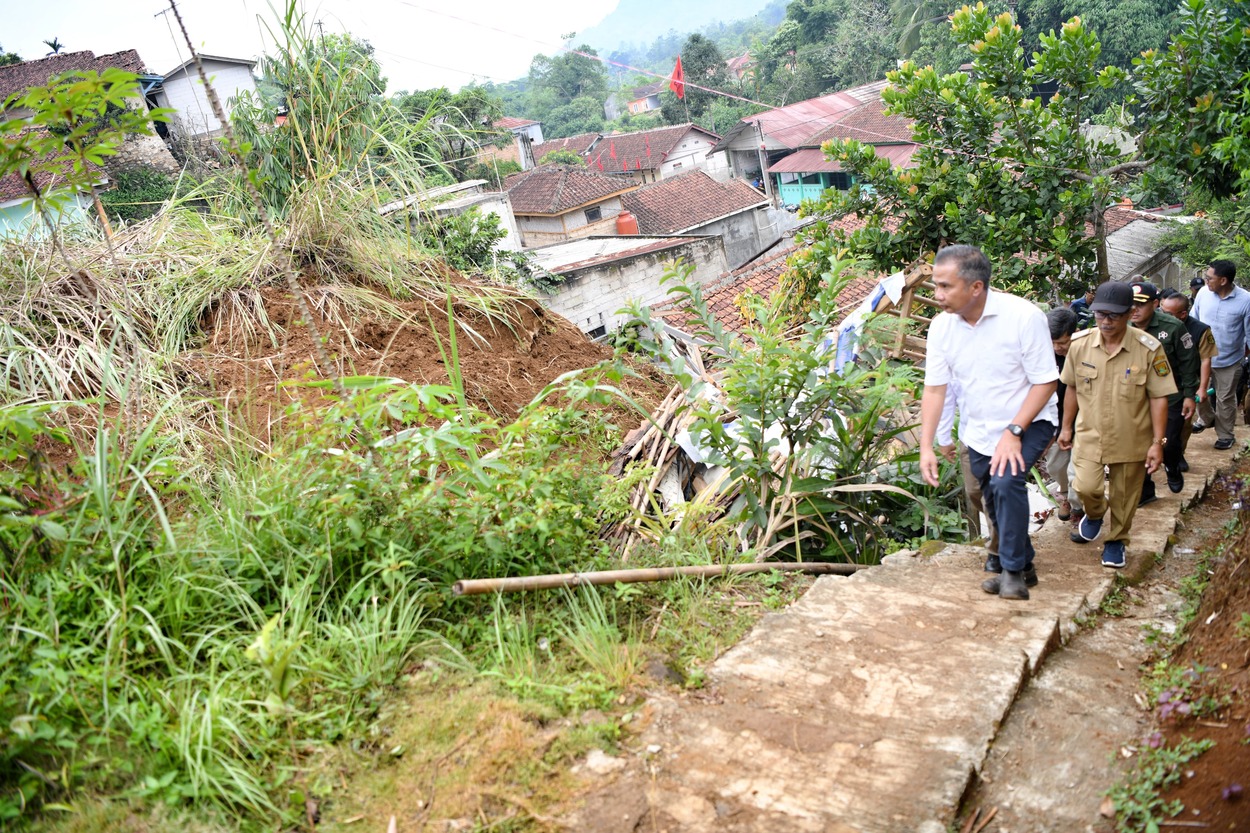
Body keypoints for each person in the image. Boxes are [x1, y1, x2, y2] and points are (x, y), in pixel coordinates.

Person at [920, 245, 1059, 601]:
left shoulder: (1023, 317)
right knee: (987, 494)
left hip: (1028, 421)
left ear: (976, 287)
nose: (937, 295)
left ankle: (1010, 571)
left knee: (1005, 480)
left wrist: (1014, 432)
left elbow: (1046, 381)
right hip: (978, 429)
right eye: (936, 286)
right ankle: (1024, 562)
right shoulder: (941, 329)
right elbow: (936, 389)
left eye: (945, 287)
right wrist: (930, 443)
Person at [1059, 282, 1176, 568]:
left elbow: (1159, 397)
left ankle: (1116, 541)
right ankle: (1096, 513)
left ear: (1129, 313)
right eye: (1101, 315)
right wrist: (1066, 427)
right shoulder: (1080, 344)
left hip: (1132, 436)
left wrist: (1157, 443)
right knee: (1085, 487)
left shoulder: (1148, 348)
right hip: (1090, 434)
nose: (1106, 321)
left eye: (1114, 315)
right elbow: (1071, 388)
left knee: (1125, 498)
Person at [1128, 281, 1199, 501]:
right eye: (1131, 305)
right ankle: (1146, 491)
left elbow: (1188, 362)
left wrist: (1189, 395)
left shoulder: (1173, 327)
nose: (1134, 310)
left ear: (1156, 304)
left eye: (1140, 305)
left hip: (1171, 397)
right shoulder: (1122, 326)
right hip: (1135, 397)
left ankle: (1172, 466)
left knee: (1168, 443)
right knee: (1137, 444)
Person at [936, 381, 1000, 561]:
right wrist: (944, 436)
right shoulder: (957, 355)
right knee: (974, 491)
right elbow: (947, 393)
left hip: (1004, 436)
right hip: (970, 436)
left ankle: (999, 550)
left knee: (993, 496)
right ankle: (1007, 531)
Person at [1193, 260, 1250, 450]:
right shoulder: (1203, 294)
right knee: (1197, 392)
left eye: (1210, 278)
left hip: (1229, 360)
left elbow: (1249, 333)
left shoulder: (1246, 301)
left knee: (1225, 398)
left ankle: (1225, 435)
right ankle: (1206, 418)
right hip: (1201, 358)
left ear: (1223, 280)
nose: (1206, 281)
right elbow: (1193, 321)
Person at [1160, 292, 1216, 468]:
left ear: (1183, 314)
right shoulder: (1154, 325)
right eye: (1161, 310)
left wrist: (1202, 387)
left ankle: (1178, 454)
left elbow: (1206, 359)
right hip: (1160, 380)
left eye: (1168, 313)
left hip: (1186, 381)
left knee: (1182, 422)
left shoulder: (1200, 330)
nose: (1162, 316)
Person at [1043, 308, 1079, 521]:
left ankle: (1077, 509)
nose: (1058, 348)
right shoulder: (1043, 354)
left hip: (1084, 421)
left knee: (1079, 470)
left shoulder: (1085, 352)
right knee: (1056, 466)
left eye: (1062, 343)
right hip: (1054, 420)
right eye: (1053, 343)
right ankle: (1066, 494)